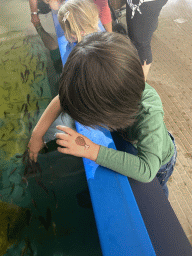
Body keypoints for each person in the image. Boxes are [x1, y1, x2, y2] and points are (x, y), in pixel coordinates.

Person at [28, 32, 177, 198]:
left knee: (157, 193)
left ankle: (162, 199)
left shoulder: (149, 113)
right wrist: (37, 134)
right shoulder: (112, 86)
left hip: (159, 162)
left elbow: (147, 170)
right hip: (132, 139)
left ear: (110, 110)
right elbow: (63, 99)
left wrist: (90, 149)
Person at [125, 0, 168, 80]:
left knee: (141, 43)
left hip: (147, 2)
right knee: (133, 38)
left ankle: (140, 84)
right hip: (137, 3)